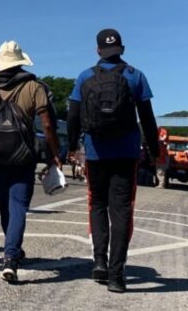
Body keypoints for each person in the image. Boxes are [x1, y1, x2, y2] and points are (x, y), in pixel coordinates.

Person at [67, 29, 160, 294]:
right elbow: (147, 118)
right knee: (121, 211)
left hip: (96, 152)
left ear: (97, 50)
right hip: (126, 152)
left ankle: (99, 262)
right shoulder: (135, 76)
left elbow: (73, 116)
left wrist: (72, 147)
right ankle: (117, 275)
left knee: (96, 204)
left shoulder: (85, 76)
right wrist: (154, 151)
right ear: (122, 48)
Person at [0, 40, 61, 282]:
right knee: (18, 204)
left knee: (4, 203)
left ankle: (11, 248)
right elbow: (47, 124)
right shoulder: (33, 86)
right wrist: (54, 153)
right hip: (22, 153)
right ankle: (11, 256)